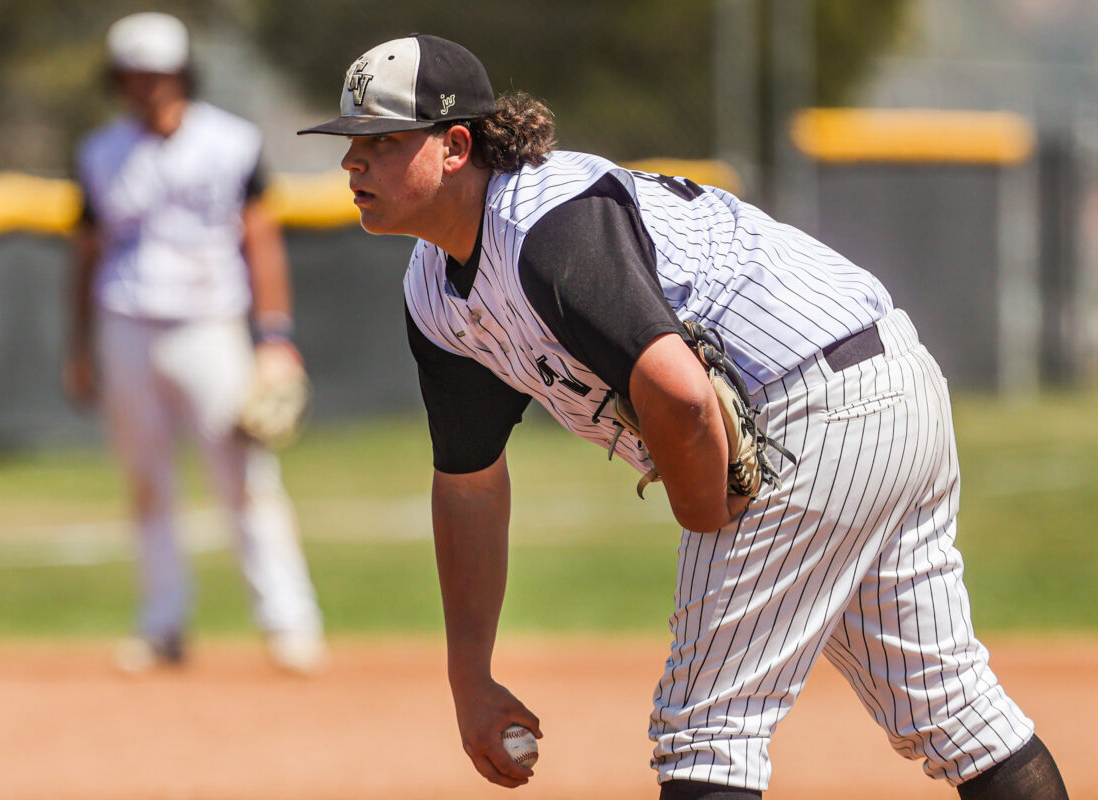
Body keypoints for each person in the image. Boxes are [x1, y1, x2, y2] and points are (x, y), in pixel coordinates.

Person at [297, 33, 1072, 798]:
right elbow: (468, 482)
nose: (352, 161)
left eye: (382, 140)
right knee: (950, 707)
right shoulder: (435, 291)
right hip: (879, 390)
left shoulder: (546, 226)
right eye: (350, 142)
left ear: (456, 145)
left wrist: (705, 509)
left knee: (708, 728)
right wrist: (471, 678)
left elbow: (678, 393)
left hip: (810, 405)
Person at [64, 12, 325, 675]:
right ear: (118, 80)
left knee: (245, 479)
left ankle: (289, 623)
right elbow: (86, 255)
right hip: (126, 325)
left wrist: (274, 337)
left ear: (181, 73)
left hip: (211, 325)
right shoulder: (99, 153)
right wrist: (79, 346)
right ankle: (162, 626)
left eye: (156, 73)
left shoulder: (231, 142)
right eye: (132, 75)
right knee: (146, 485)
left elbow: (259, 238)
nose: (145, 86)